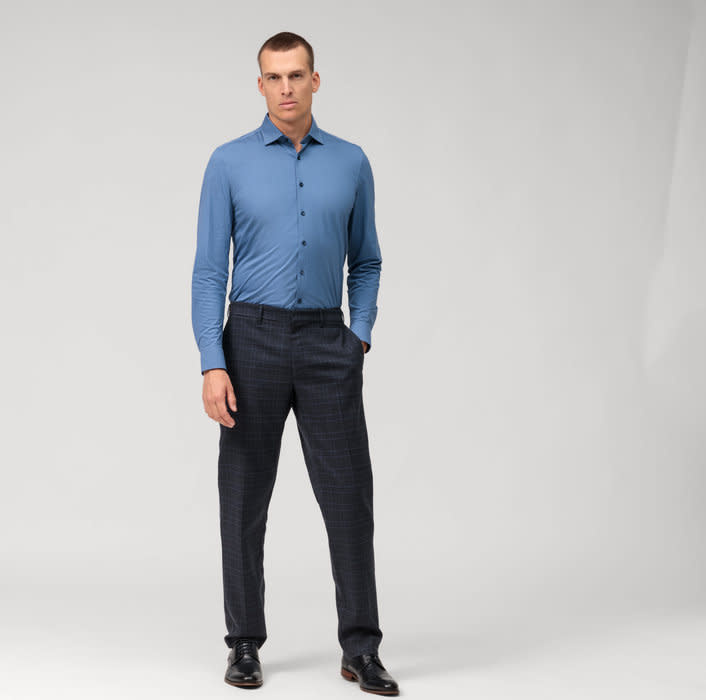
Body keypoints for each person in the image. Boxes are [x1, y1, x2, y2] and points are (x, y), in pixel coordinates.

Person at [190, 32, 399, 695]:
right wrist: (212, 361)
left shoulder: (352, 162)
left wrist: (358, 335)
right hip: (250, 339)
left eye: (297, 75)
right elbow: (208, 271)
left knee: (349, 498)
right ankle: (243, 644)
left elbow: (367, 259)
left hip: (327, 342)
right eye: (274, 77)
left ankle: (361, 650)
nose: (286, 88)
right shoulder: (227, 162)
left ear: (315, 80)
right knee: (244, 498)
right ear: (260, 85)